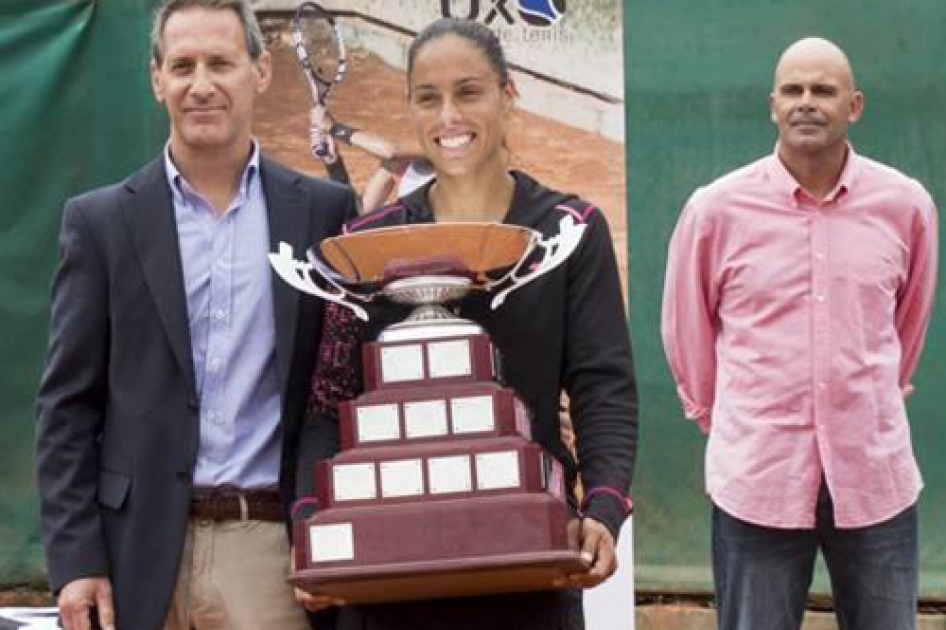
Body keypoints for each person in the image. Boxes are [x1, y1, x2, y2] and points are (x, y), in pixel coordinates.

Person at [294, 17, 638, 630]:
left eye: (469, 91)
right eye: (429, 98)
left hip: (527, 567)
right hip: (390, 581)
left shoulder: (571, 230)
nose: (449, 116)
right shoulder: (366, 245)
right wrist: (308, 527)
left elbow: (602, 387)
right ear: (411, 108)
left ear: (509, 96)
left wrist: (604, 509)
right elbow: (327, 406)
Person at [34, 2, 357, 629]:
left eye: (221, 63)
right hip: (135, 557)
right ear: (157, 79)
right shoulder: (99, 224)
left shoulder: (323, 212)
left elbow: (337, 396)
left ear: (260, 73)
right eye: (182, 65)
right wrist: (76, 560)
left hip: (271, 556)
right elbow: (67, 407)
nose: (201, 84)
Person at [662, 37, 938, 630]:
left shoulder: (906, 206)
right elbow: (687, 333)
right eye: (793, 89)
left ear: (855, 105)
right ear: (772, 105)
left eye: (823, 90)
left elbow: (906, 328)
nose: (806, 102)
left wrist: (871, 397)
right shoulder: (716, 210)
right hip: (758, 475)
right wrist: (730, 422)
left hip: (874, 475)